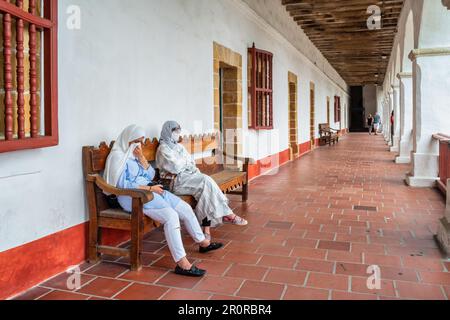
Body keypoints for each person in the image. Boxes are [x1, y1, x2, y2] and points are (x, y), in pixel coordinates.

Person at [104, 125, 223, 277]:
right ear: (128, 139)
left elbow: (151, 175)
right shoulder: (118, 157)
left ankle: (203, 243)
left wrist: (141, 158)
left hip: (150, 190)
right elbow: (122, 185)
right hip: (132, 197)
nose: (139, 145)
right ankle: (182, 263)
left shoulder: (134, 155)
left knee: (185, 208)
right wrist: (150, 189)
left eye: (141, 141)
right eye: (137, 141)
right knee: (171, 216)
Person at [156, 121, 248, 240]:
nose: (177, 134)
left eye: (178, 131)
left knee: (205, 189)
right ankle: (227, 214)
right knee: (205, 180)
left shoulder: (178, 146)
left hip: (188, 177)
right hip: (175, 182)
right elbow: (175, 167)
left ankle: (207, 230)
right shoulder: (163, 149)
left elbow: (191, 162)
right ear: (168, 131)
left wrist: (183, 163)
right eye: (175, 131)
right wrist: (185, 163)